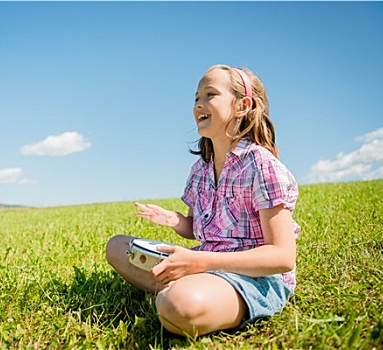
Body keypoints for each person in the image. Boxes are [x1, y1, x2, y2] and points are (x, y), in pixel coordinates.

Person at [105, 64, 300, 337]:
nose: (199, 104)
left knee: (179, 307)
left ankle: (179, 294)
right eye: (196, 98)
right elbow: (195, 229)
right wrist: (174, 220)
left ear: (243, 106)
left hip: (253, 277)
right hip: (203, 263)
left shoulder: (261, 166)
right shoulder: (200, 170)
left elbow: (282, 257)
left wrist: (200, 263)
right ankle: (186, 287)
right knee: (117, 247)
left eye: (210, 94)